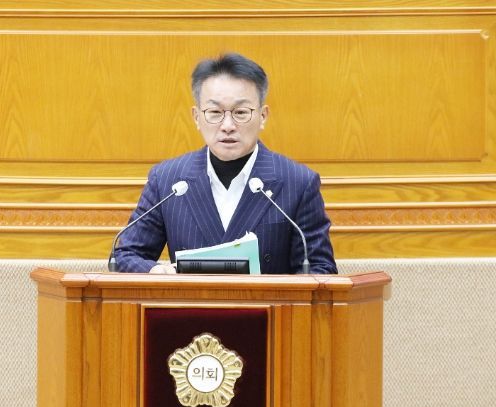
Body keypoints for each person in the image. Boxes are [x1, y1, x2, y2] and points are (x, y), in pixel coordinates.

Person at [113, 53, 337, 274]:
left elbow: (321, 269)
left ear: (263, 116)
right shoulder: (168, 181)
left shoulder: (298, 182)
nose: (228, 125)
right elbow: (125, 256)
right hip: (190, 300)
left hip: (266, 300)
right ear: (197, 117)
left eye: (241, 112)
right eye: (215, 112)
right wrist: (155, 271)